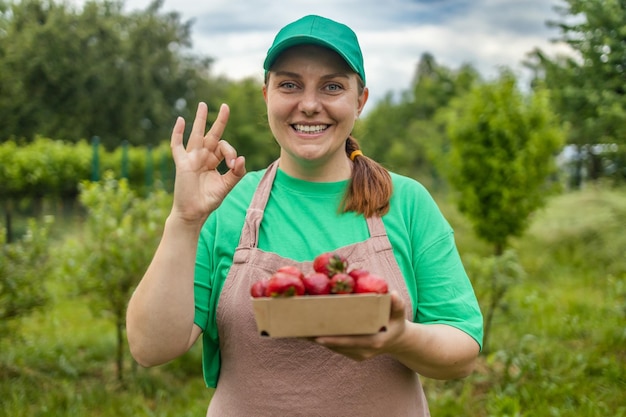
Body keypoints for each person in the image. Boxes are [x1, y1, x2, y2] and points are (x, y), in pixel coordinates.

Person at [126, 14, 483, 416]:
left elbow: (462, 350)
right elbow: (150, 348)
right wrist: (185, 219)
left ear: (360, 100)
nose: (309, 105)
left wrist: (399, 338)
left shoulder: (407, 202)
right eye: (289, 85)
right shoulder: (226, 203)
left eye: (332, 86)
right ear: (267, 95)